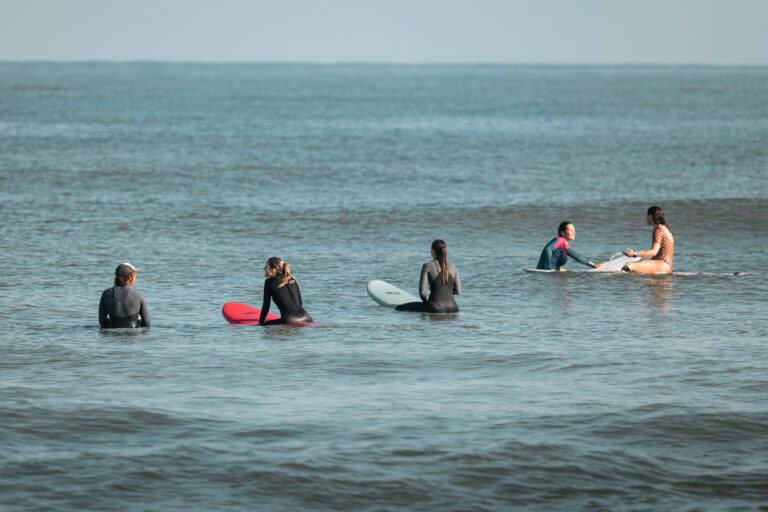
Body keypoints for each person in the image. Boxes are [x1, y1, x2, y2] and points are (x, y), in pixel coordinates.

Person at [396, 239, 461, 313]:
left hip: (435, 308)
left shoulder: (427, 265)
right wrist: (445, 291)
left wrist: (426, 303)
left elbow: (422, 292)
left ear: (432, 251)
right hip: (454, 308)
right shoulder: (453, 266)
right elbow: (458, 291)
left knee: (398, 308)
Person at [259, 257, 312, 325]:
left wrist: (261, 324)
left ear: (274, 270)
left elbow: (266, 306)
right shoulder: (292, 279)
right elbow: (300, 302)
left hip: (289, 320)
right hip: (307, 317)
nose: (264, 268)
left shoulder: (269, 282)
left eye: (266, 266)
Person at [621, 206, 674, 273]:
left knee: (629, 265)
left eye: (647, 215)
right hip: (667, 266)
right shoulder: (667, 229)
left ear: (650, 216)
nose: (646, 218)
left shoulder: (658, 230)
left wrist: (634, 254)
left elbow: (653, 252)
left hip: (662, 265)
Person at [536, 221, 604, 271]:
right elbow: (547, 249)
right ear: (563, 233)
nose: (574, 232)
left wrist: (594, 265)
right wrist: (548, 269)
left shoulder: (563, 245)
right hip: (546, 273)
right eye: (571, 230)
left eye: (574, 230)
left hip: (549, 272)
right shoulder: (559, 240)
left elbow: (578, 257)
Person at [99, 262, 150, 328]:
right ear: (130, 276)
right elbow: (146, 323)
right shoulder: (138, 295)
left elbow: (102, 322)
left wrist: (114, 322)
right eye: (134, 274)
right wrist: (138, 321)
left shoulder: (106, 294)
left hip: (113, 335)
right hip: (132, 335)